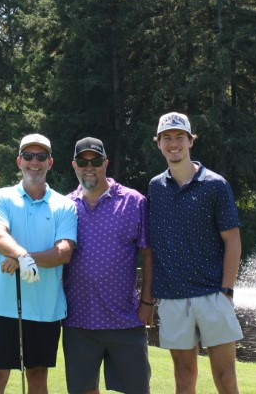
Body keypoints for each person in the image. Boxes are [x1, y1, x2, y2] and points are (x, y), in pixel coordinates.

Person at [148, 112, 243, 394]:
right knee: (184, 376)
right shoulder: (155, 187)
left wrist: (227, 290)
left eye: (180, 137)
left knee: (225, 377)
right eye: (167, 138)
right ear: (159, 143)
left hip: (213, 293)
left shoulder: (215, 184)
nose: (173, 144)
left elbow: (233, 240)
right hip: (173, 297)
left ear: (191, 141)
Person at [0, 134, 78, 394]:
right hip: (4, 307)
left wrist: (22, 259)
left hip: (45, 308)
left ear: (50, 162)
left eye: (41, 157)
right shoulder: (2, 197)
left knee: (37, 376)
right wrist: (22, 256)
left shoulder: (64, 204)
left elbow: (64, 252)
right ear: (19, 161)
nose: (34, 162)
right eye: (28, 156)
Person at [63, 137, 154, 394]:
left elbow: (148, 254)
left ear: (106, 163)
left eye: (95, 161)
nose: (89, 167)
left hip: (125, 320)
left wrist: (148, 302)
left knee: (137, 390)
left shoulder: (133, 201)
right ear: (74, 165)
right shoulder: (65, 206)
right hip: (78, 321)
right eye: (83, 161)